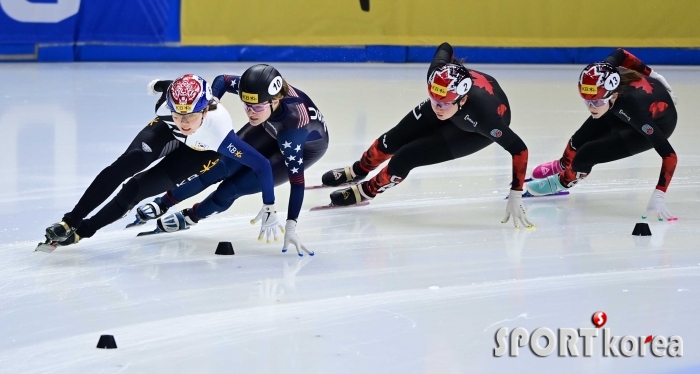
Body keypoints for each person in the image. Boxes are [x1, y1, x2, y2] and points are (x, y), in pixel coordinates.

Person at [41, 74, 280, 248]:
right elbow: (172, 88)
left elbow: (262, 165)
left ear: (205, 111)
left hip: (202, 150)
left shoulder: (221, 136)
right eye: (178, 114)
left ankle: (83, 231)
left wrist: (269, 205)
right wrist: (159, 86)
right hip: (166, 132)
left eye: (191, 116)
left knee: (135, 189)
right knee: (126, 165)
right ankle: (69, 221)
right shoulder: (167, 105)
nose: (184, 122)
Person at [321, 42, 534, 228]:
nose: (437, 108)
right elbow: (445, 47)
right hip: (457, 102)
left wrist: (516, 191)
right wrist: (446, 80)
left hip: (474, 131)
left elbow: (519, 149)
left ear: (462, 99)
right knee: (393, 138)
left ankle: (366, 191)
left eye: (443, 103)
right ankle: (359, 169)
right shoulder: (438, 77)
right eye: (433, 99)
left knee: (407, 156)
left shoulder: (485, 118)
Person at [135, 64, 329, 256]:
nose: (250, 112)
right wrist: (210, 107)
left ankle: (192, 217)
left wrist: (291, 225)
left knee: (232, 188)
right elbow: (223, 80)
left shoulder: (294, 128)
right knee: (220, 167)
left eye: (257, 107)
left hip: (301, 146)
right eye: (246, 105)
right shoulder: (259, 99)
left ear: (276, 101)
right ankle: (165, 201)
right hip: (268, 125)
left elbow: (297, 182)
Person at [526, 49, 678, 221]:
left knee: (587, 154)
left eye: (596, 102)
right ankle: (563, 164)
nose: (591, 107)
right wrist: (652, 74)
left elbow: (670, 156)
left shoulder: (634, 109)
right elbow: (621, 53)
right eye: (587, 100)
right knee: (578, 140)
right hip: (618, 106)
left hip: (656, 124)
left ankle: (562, 181)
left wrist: (659, 193)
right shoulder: (604, 73)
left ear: (613, 95)